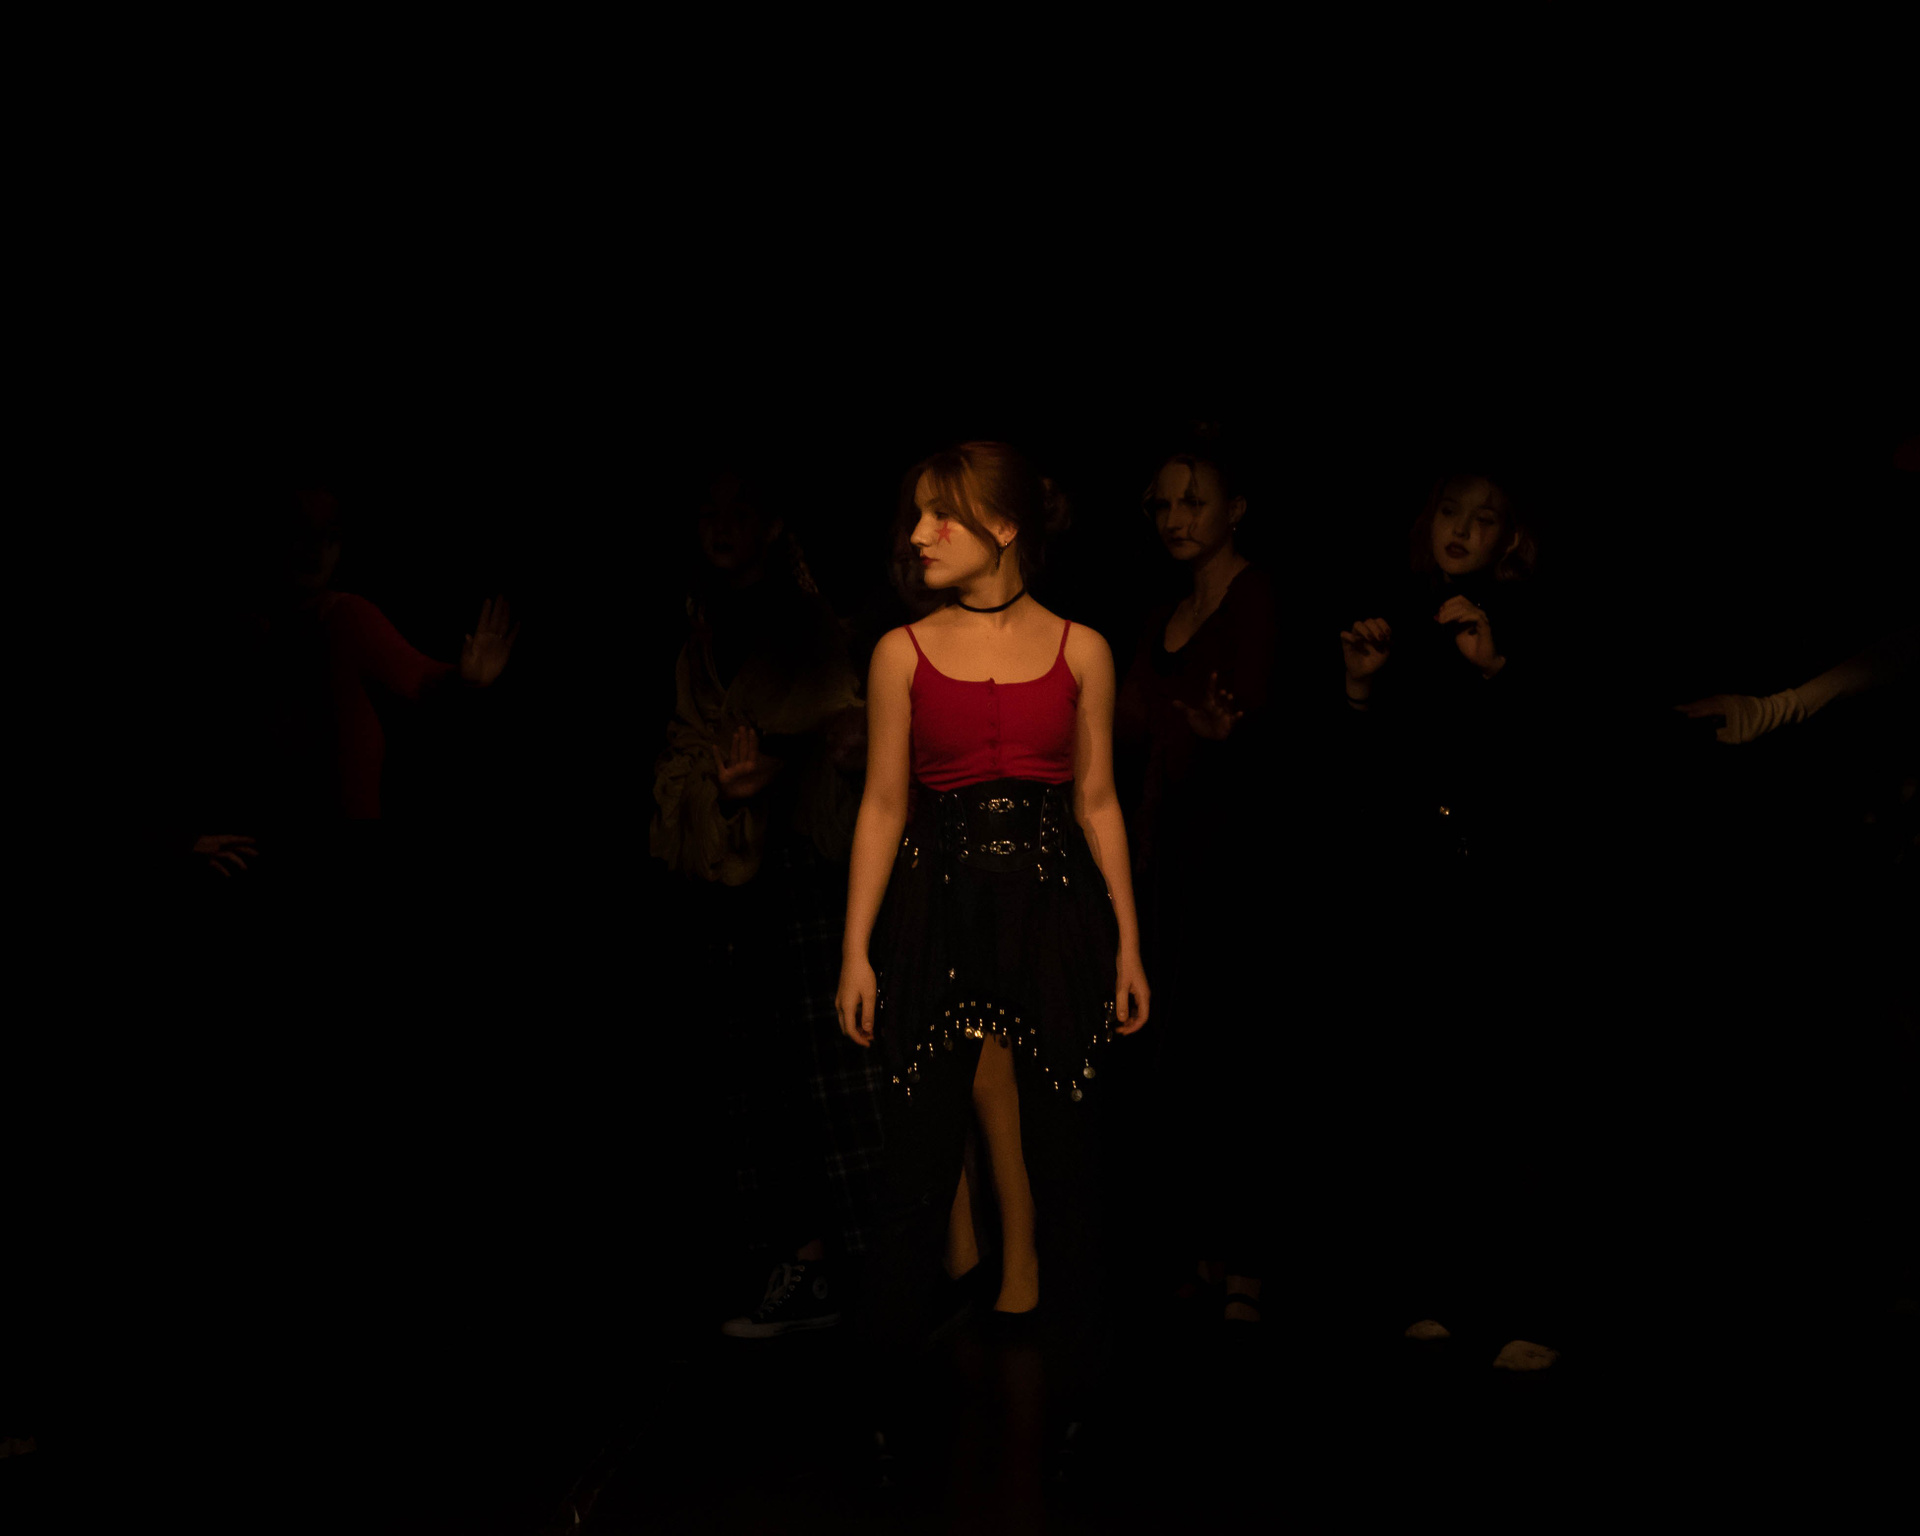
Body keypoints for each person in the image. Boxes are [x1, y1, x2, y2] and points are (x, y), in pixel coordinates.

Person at [837, 440, 1149, 1485]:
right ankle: (885, 1406)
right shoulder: (900, 653)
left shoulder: (1082, 647)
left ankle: (1085, 1403)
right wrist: (856, 951)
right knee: (915, 1179)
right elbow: (883, 804)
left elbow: (1097, 801)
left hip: (1052, 923)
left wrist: (1129, 943)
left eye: (944, 515)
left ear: (1005, 528)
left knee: (1070, 1178)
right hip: (937, 922)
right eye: (917, 514)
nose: (919, 534)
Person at [1333, 467, 1574, 1367]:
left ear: (1512, 538)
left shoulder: (1529, 621)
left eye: (1484, 519)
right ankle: (1432, 1291)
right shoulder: (1401, 621)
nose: (1461, 530)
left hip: (1507, 898)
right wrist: (1360, 689)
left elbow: (1555, 765)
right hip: (1419, 894)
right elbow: (1369, 780)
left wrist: (1495, 669)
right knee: (1425, 1095)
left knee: (1513, 1098)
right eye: (1449, 512)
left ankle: (1528, 1307)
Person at [650, 462, 877, 1337]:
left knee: (824, 1073)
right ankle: (797, 1260)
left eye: (741, 512)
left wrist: (771, 773)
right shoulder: (699, 627)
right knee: (753, 1076)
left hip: (803, 870)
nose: (722, 527)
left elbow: (830, 729)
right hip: (727, 873)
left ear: (774, 525)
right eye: (709, 512)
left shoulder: (802, 622)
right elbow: (693, 736)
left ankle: (857, 1266)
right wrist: (717, 792)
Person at [1113, 426, 1277, 1326]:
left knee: (1234, 1047)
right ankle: (1199, 1249)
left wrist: (1225, 735)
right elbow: (1132, 725)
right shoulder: (1160, 615)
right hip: (1169, 850)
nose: (1175, 517)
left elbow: (1264, 721)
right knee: (1179, 1052)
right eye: (1163, 504)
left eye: (1193, 501)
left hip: (1238, 852)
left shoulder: (1255, 597)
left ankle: (1247, 1259)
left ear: (1235, 509)